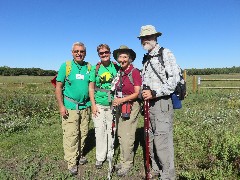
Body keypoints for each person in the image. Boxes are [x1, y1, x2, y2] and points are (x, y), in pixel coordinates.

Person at [138, 25, 182, 180]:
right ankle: (156, 168)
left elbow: (173, 80)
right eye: (143, 38)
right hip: (148, 104)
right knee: (150, 138)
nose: (145, 40)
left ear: (155, 38)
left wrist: (155, 92)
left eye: (148, 37)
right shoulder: (146, 57)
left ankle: (168, 175)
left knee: (162, 140)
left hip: (162, 102)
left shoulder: (166, 53)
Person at [55, 42, 91, 175]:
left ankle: (79, 155)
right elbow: (58, 87)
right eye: (76, 51)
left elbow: (91, 86)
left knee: (84, 132)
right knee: (71, 135)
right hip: (70, 107)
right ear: (72, 52)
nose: (79, 53)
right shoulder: (66, 66)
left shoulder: (89, 67)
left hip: (85, 107)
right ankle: (71, 162)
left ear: (85, 53)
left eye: (81, 51)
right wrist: (61, 106)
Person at [111, 45, 142, 176]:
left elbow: (137, 93)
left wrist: (121, 100)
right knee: (120, 135)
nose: (122, 59)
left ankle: (127, 164)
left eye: (125, 57)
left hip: (131, 105)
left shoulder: (134, 72)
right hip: (121, 105)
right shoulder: (121, 72)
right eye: (120, 57)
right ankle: (123, 161)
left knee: (127, 136)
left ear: (130, 58)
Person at [89, 44, 120, 169]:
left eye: (106, 52)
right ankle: (100, 157)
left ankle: (110, 154)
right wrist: (93, 105)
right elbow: (91, 87)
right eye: (101, 53)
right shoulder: (95, 69)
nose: (104, 55)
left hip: (113, 104)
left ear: (110, 53)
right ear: (98, 55)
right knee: (99, 130)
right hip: (99, 104)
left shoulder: (116, 67)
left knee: (111, 130)